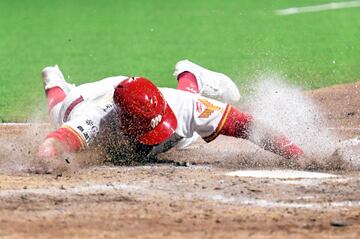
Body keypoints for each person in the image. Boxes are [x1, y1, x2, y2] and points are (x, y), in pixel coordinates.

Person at [33, 60, 304, 173]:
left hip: (143, 98)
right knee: (59, 112)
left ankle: (190, 74)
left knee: (184, 137)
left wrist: (299, 156)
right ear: (124, 122)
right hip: (89, 97)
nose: (158, 130)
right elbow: (53, 144)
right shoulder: (94, 119)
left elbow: (246, 124)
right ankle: (53, 78)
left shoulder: (181, 106)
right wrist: (50, 161)